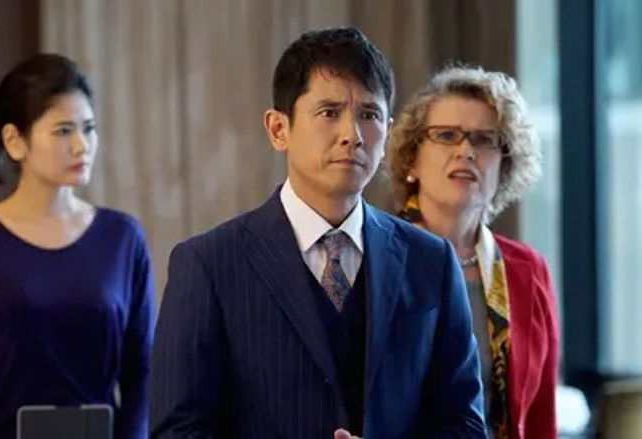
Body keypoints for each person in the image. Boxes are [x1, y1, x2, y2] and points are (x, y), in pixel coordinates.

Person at [150, 28, 484, 438]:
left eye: (369, 115)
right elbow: (178, 431)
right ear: (279, 129)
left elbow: (465, 423)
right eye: (329, 112)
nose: (352, 135)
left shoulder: (431, 261)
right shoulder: (209, 265)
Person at [0, 54, 155, 439]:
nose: (82, 146)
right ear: (15, 141)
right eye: (63, 131)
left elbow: (144, 371)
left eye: (89, 128)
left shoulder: (122, 238)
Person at [389, 65, 559, 438]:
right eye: (446, 136)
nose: (465, 151)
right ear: (413, 159)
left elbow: (541, 418)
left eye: (484, 140)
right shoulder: (376, 257)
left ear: (505, 166)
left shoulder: (529, 270)